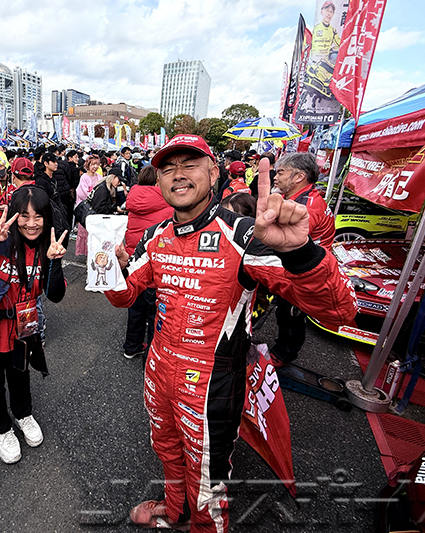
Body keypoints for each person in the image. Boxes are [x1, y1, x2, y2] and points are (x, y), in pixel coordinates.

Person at [104, 134, 356, 532]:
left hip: (212, 381)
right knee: (166, 449)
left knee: (207, 478)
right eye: (168, 168)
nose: (178, 175)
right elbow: (125, 297)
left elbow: (338, 310)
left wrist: (300, 252)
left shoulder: (243, 234)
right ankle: (174, 511)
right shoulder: (155, 237)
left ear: (213, 171)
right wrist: (110, 271)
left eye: (189, 164)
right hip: (157, 369)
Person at [0, 187, 67, 464]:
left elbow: (54, 295)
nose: (31, 223)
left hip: (24, 325)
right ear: (13, 215)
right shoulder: (0, 241)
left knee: (20, 373)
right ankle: (0, 429)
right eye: (24, 215)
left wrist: (56, 262)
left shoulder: (46, 248)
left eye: (38, 216)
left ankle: (22, 414)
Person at [269, 152, 336, 368]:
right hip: (303, 265)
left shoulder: (307, 205)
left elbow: (287, 241)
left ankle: (284, 353)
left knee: (290, 313)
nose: (275, 177)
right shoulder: (302, 198)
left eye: (280, 172)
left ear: (299, 177)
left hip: (304, 270)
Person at [121, 165, 173, 359]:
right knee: (154, 314)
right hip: (154, 266)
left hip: (133, 262)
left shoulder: (132, 200)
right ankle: (152, 354)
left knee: (135, 307)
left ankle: (131, 346)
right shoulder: (167, 204)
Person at [74, 154, 102, 256]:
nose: (95, 167)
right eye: (93, 164)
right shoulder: (84, 177)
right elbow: (83, 193)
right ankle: (86, 252)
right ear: (88, 165)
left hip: (96, 208)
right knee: (85, 232)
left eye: (97, 164)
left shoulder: (99, 177)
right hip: (86, 208)